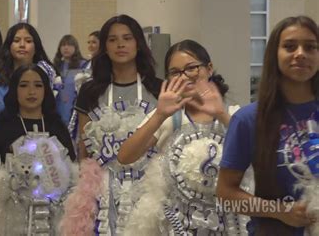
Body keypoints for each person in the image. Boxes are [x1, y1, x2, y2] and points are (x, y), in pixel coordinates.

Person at [117, 39, 247, 235]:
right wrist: (160, 115)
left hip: (225, 220)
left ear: (209, 68)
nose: (185, 77)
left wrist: (221, 115)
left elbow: (256, 158)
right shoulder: (167, 116)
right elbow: (125, 156)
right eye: (175, 72)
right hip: (176, 223)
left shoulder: (234, 114)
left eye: (192, 68)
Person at [59, 14, 162, 235]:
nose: (121, 44)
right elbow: (84, 148)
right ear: (104, 46)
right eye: (113, 40)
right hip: (103, 191)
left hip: (149, 188)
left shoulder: (158, 88)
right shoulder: (90, 91)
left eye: (127, 38)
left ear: (138, 44)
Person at [217, 16, 319, 235]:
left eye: (310, 47)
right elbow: (226, 194)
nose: (300, 54)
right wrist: (280, 211)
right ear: (275, 54)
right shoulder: (248, 119)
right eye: (290, 46)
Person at [0, 64, 76, 234]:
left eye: (38, 85)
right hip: (12, 217)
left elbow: (72, 168)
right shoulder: (3, 125)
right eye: (23, 85)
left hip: (52, 216)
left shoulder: (57, 125)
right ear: (14, 90)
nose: (31, 91)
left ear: (46, 90)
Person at [0, 23, 57, 117]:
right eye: (16, 41)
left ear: (36, 47)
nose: (22, 45)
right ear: (9, 46)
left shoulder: (47, 78)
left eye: (28, 41)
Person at [53, 34, 86, 125]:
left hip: (75, 104)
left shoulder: (83, 65)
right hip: (59, 104)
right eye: (63, 45)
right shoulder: (55, 66)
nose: (66, 48)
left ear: (75, 47)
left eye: (69, 45)